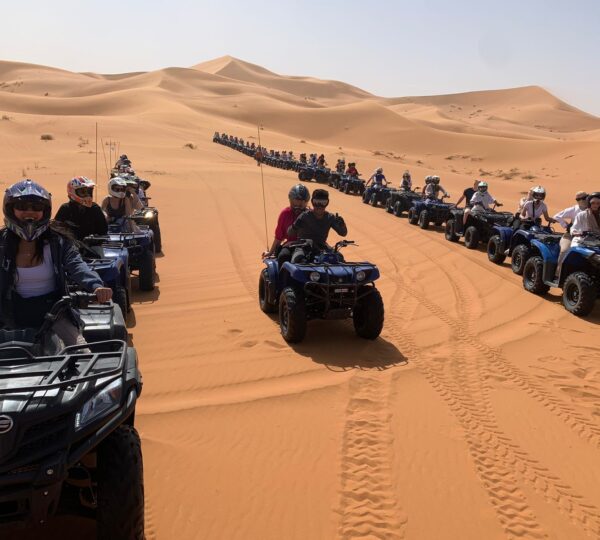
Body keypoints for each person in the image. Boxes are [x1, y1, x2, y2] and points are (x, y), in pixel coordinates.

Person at [0, 179, 112, 346]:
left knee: (81, 354)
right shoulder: (2, 245)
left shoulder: (58, 243)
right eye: (22, 207)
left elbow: (77, 265)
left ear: (45, 211)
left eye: (37, 207)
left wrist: (95, 285)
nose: (29, 212)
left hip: (54, 315)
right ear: (10, 209)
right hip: (9, 317)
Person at [288, 189, 347, 263]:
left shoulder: (330, 217)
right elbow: (289, 233)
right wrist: (295, 225)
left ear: (327, 203)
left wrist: (342, 224)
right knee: (298, 259)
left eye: (323, 203)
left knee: (339, 258)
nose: (319, 206)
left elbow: (343, 233)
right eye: (316, 202)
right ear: (312, 202)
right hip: (303, 247)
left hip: (322, 247)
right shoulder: (304, 216)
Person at [263, 184, 310, 266]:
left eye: (302, 203)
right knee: (283, 257)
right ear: (291, 200)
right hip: (291, 246)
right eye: (296, 202)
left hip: (309, 246)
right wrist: (271, 252)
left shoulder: (310, 215)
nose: (298, 206)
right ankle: (282, 279)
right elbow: (279, 237)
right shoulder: (285, 214)